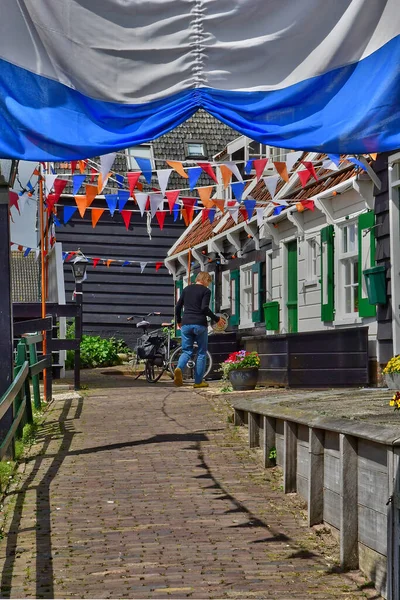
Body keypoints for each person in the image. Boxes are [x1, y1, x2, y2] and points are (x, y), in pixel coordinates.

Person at [174, 272, 225, 388]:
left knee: (187, 351)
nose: (208, 285)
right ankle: (198, 382)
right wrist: (216, 319)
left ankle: (179, 368)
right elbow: (204, 308)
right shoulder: (206, 291)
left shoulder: (186, 289)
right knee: (201, 353)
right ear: (205, 280)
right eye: (208, 282)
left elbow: (178, 307)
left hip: (186, 324)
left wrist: (179, 321)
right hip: (199, 324)